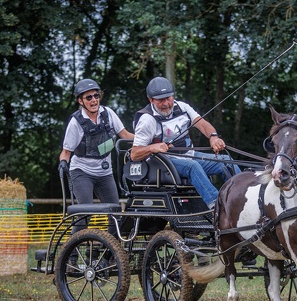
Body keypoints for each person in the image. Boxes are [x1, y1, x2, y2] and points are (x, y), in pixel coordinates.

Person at [130, 76, 240, 210]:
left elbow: (202, 124)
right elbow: (134, 154)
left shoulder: (182, 107)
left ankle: (242, 198)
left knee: (227, 161)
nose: (166, 103)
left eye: (168, 98)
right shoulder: (147, 120)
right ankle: (217, 207)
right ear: (150, 99)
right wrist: (153, 147)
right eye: (160, 100)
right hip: (164, 163)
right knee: (192, 166)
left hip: (189, 155)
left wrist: (213, 137)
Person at [58, 79, 134, 236]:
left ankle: (108, 254)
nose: (94, 100)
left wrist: (150, 140)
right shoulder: (76, 122)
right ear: (81, 101)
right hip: (82, 172)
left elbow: (125, 135)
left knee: (115, 214)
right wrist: (63, 163)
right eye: (89, 97)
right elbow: (66, 152)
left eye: (96, 96)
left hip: (104, 173)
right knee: (86, 213)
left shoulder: (108, 114)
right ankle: (71, 256)